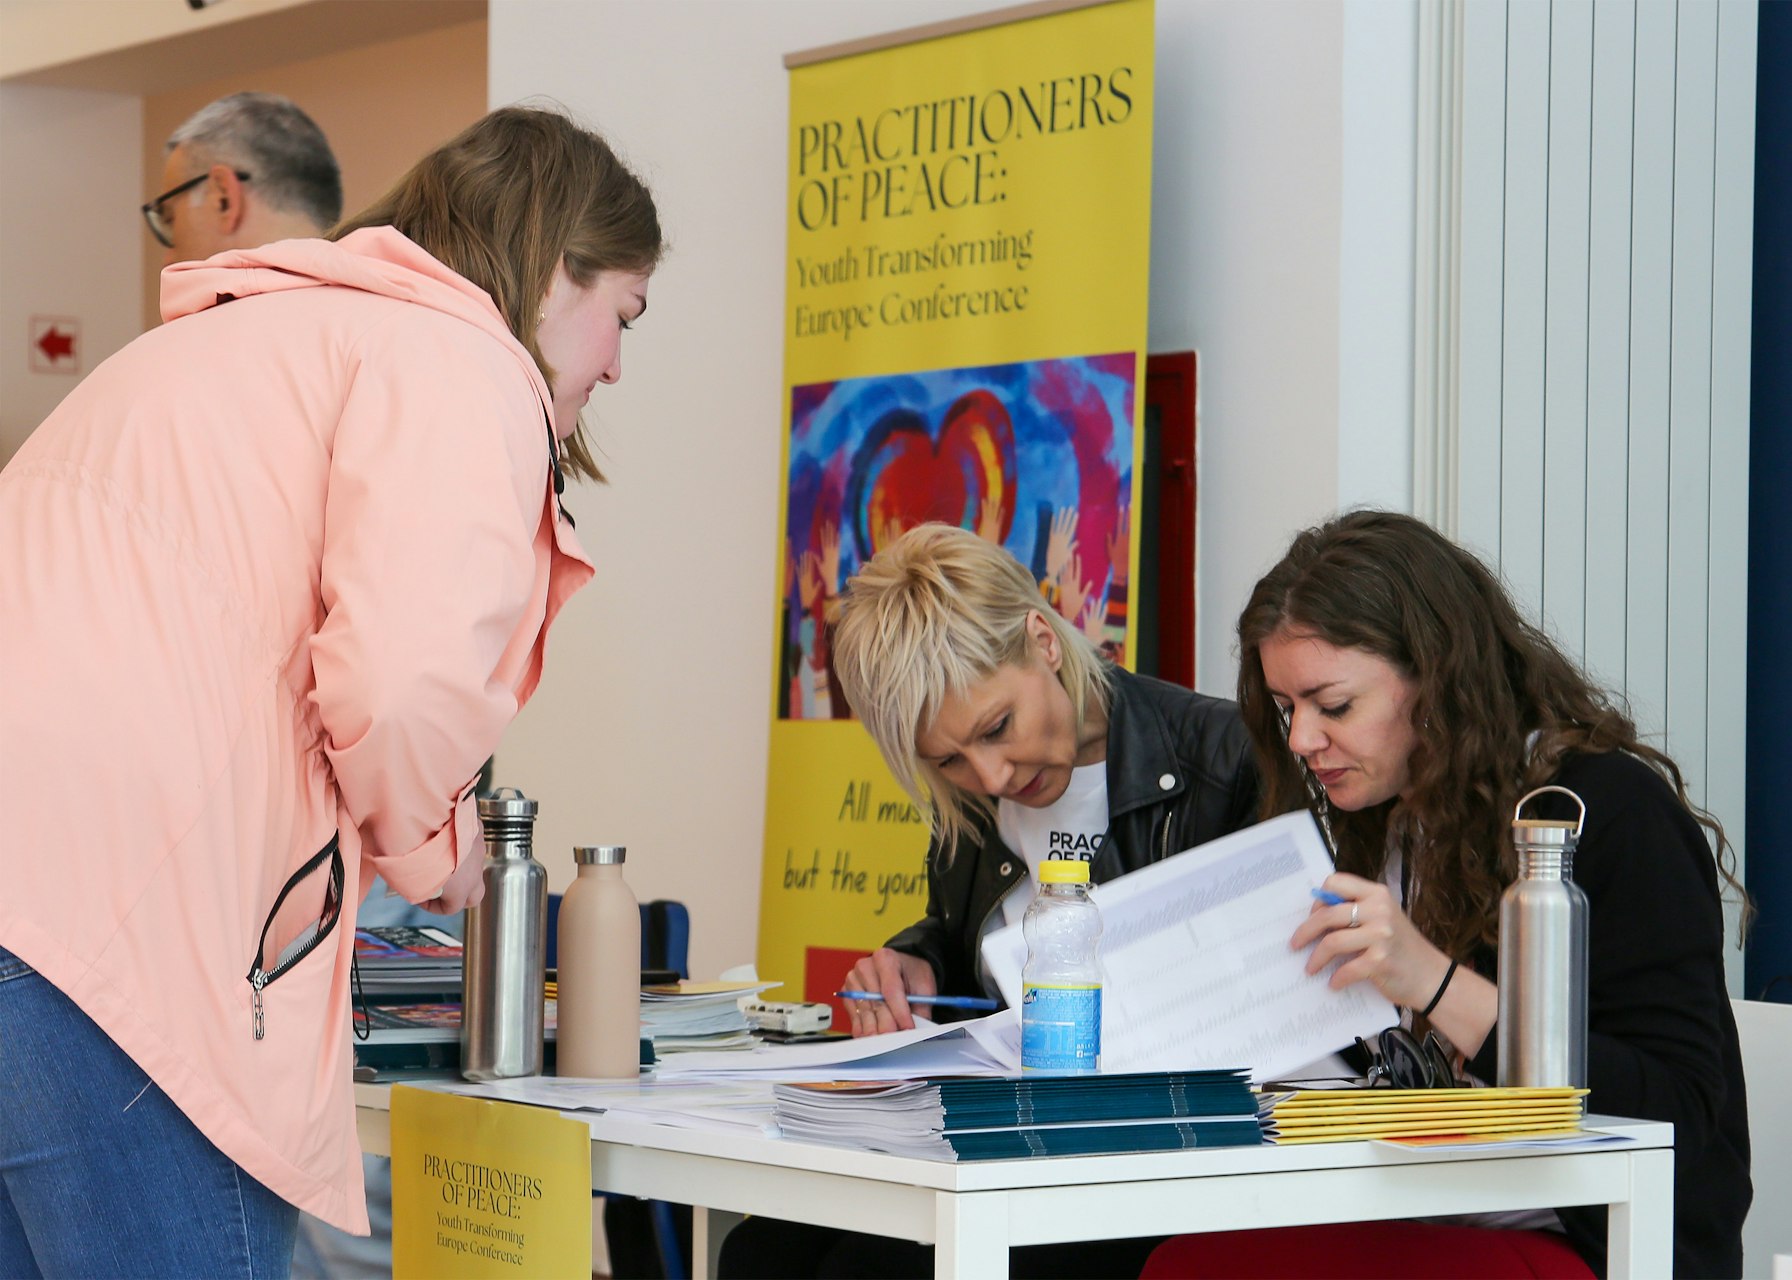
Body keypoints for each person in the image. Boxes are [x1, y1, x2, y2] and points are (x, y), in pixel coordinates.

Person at [0, 105, 660, 1277]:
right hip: (106, 941)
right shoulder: (456, 357)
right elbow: (402, 678)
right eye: (623, 313)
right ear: (558, 267)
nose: (615, 361)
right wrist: (440, 849)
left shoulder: (225, 346)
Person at [1140, 509, 1751, 1279]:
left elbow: (1679, 1117)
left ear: (1438, 678)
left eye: (1333, 706)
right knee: (1182, 1259)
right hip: (1421, 1202)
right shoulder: (1379, 817)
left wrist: (1430, 981)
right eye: (1287, 708)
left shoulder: (1606, 812)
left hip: (1595, 1241)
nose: (1300, 741)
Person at [718, 522, 1261, 1280]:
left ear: (1042, 639)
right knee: (760, 1252)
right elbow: (975, 946)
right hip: (998, 1151)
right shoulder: (966, 809)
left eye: (997, 727)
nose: (993, 776)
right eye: (949, 759)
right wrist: (919, 964)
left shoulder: (1226, 761)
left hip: (1142, 1169)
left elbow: (1263, 1007)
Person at [144, 91, 344, 267]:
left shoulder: (222, 310)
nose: (168, 260)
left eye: (170, 218)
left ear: (223, 199)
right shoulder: (369, 300)